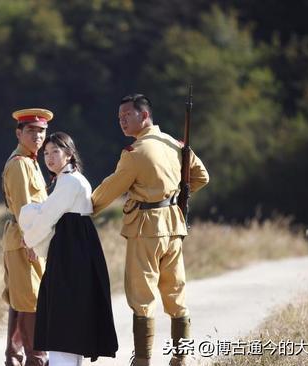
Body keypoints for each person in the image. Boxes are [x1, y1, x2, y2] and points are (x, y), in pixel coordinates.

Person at [91, 94, 209, 366]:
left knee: (142, 295)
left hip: (145, 227)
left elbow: (110, 188)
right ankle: (182, 356)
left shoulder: (136, 153)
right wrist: (179, 194)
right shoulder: (176, 144)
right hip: (173, 224)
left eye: (127, 116)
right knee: (175, 292)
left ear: (144, 116)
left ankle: (142, 359)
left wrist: (86, 208)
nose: (121, 121)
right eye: (119, 117)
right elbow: (201, 176)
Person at [19, 132, 118, 366]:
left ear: (69, 154)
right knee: (71, 314)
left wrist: (30, 238)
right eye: (46, 153)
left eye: (55, 152)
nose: (49, 157)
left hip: (71, 253)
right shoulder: (70, 179)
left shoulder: (70, 182)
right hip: (74, 249)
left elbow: (47, 216)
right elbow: (50, 215)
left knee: (63, 313)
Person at [1, 108, 52, 366]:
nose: (38, 136)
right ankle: (36, 359)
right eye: (31, 131)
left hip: (27, 239)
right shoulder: (20, 164)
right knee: (31, 300)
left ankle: (16, 358)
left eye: (42, 131)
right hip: (25, 240)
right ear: (19, 133)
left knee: (23, 299)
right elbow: (24, 208)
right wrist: (32, 241)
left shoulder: (30, 161)